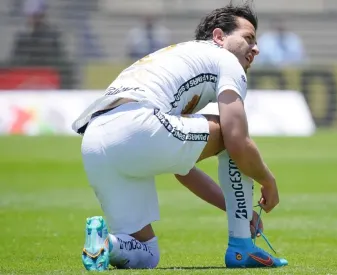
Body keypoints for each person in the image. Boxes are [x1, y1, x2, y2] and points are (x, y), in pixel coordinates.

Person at [72, 2, 288, 271]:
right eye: (248, 38)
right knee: (232, 135)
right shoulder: (226, 60)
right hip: (136, 123)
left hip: (95, 139)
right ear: (219, 37)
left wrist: (236, 210)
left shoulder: (180, 59)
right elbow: (236, 141)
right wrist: (268, 181)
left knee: (145, 254)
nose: (255, 48)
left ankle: (106, 243)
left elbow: (182, 169)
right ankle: (242, 248)